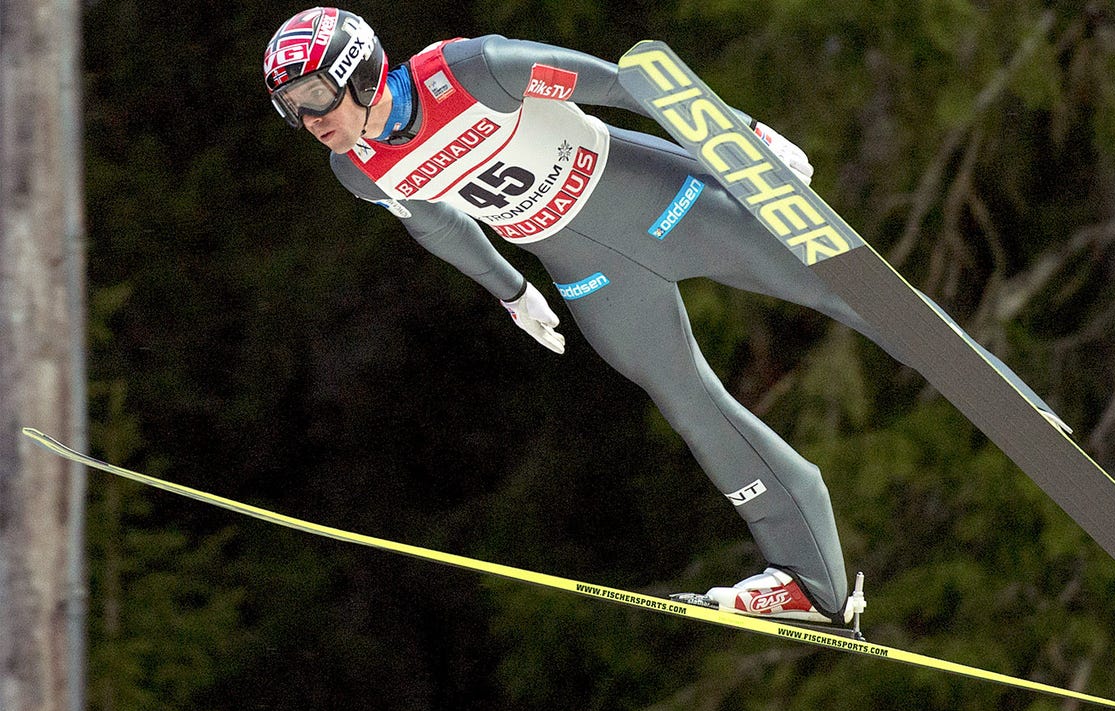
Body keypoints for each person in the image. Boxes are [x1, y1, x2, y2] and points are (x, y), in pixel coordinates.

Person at [263, 7, 1068, 626]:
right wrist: (509, 289)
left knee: (846, 286)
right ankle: (812, 585)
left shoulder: (473, 72)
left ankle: (1008, 400)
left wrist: (737, 137)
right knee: (686, 400)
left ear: (360, 71)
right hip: (590, 272)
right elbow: (438, 219)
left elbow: (623, 83)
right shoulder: (358, 170)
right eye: (290, 108)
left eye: (313, 95)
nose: (309, 118)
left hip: (667, 201)